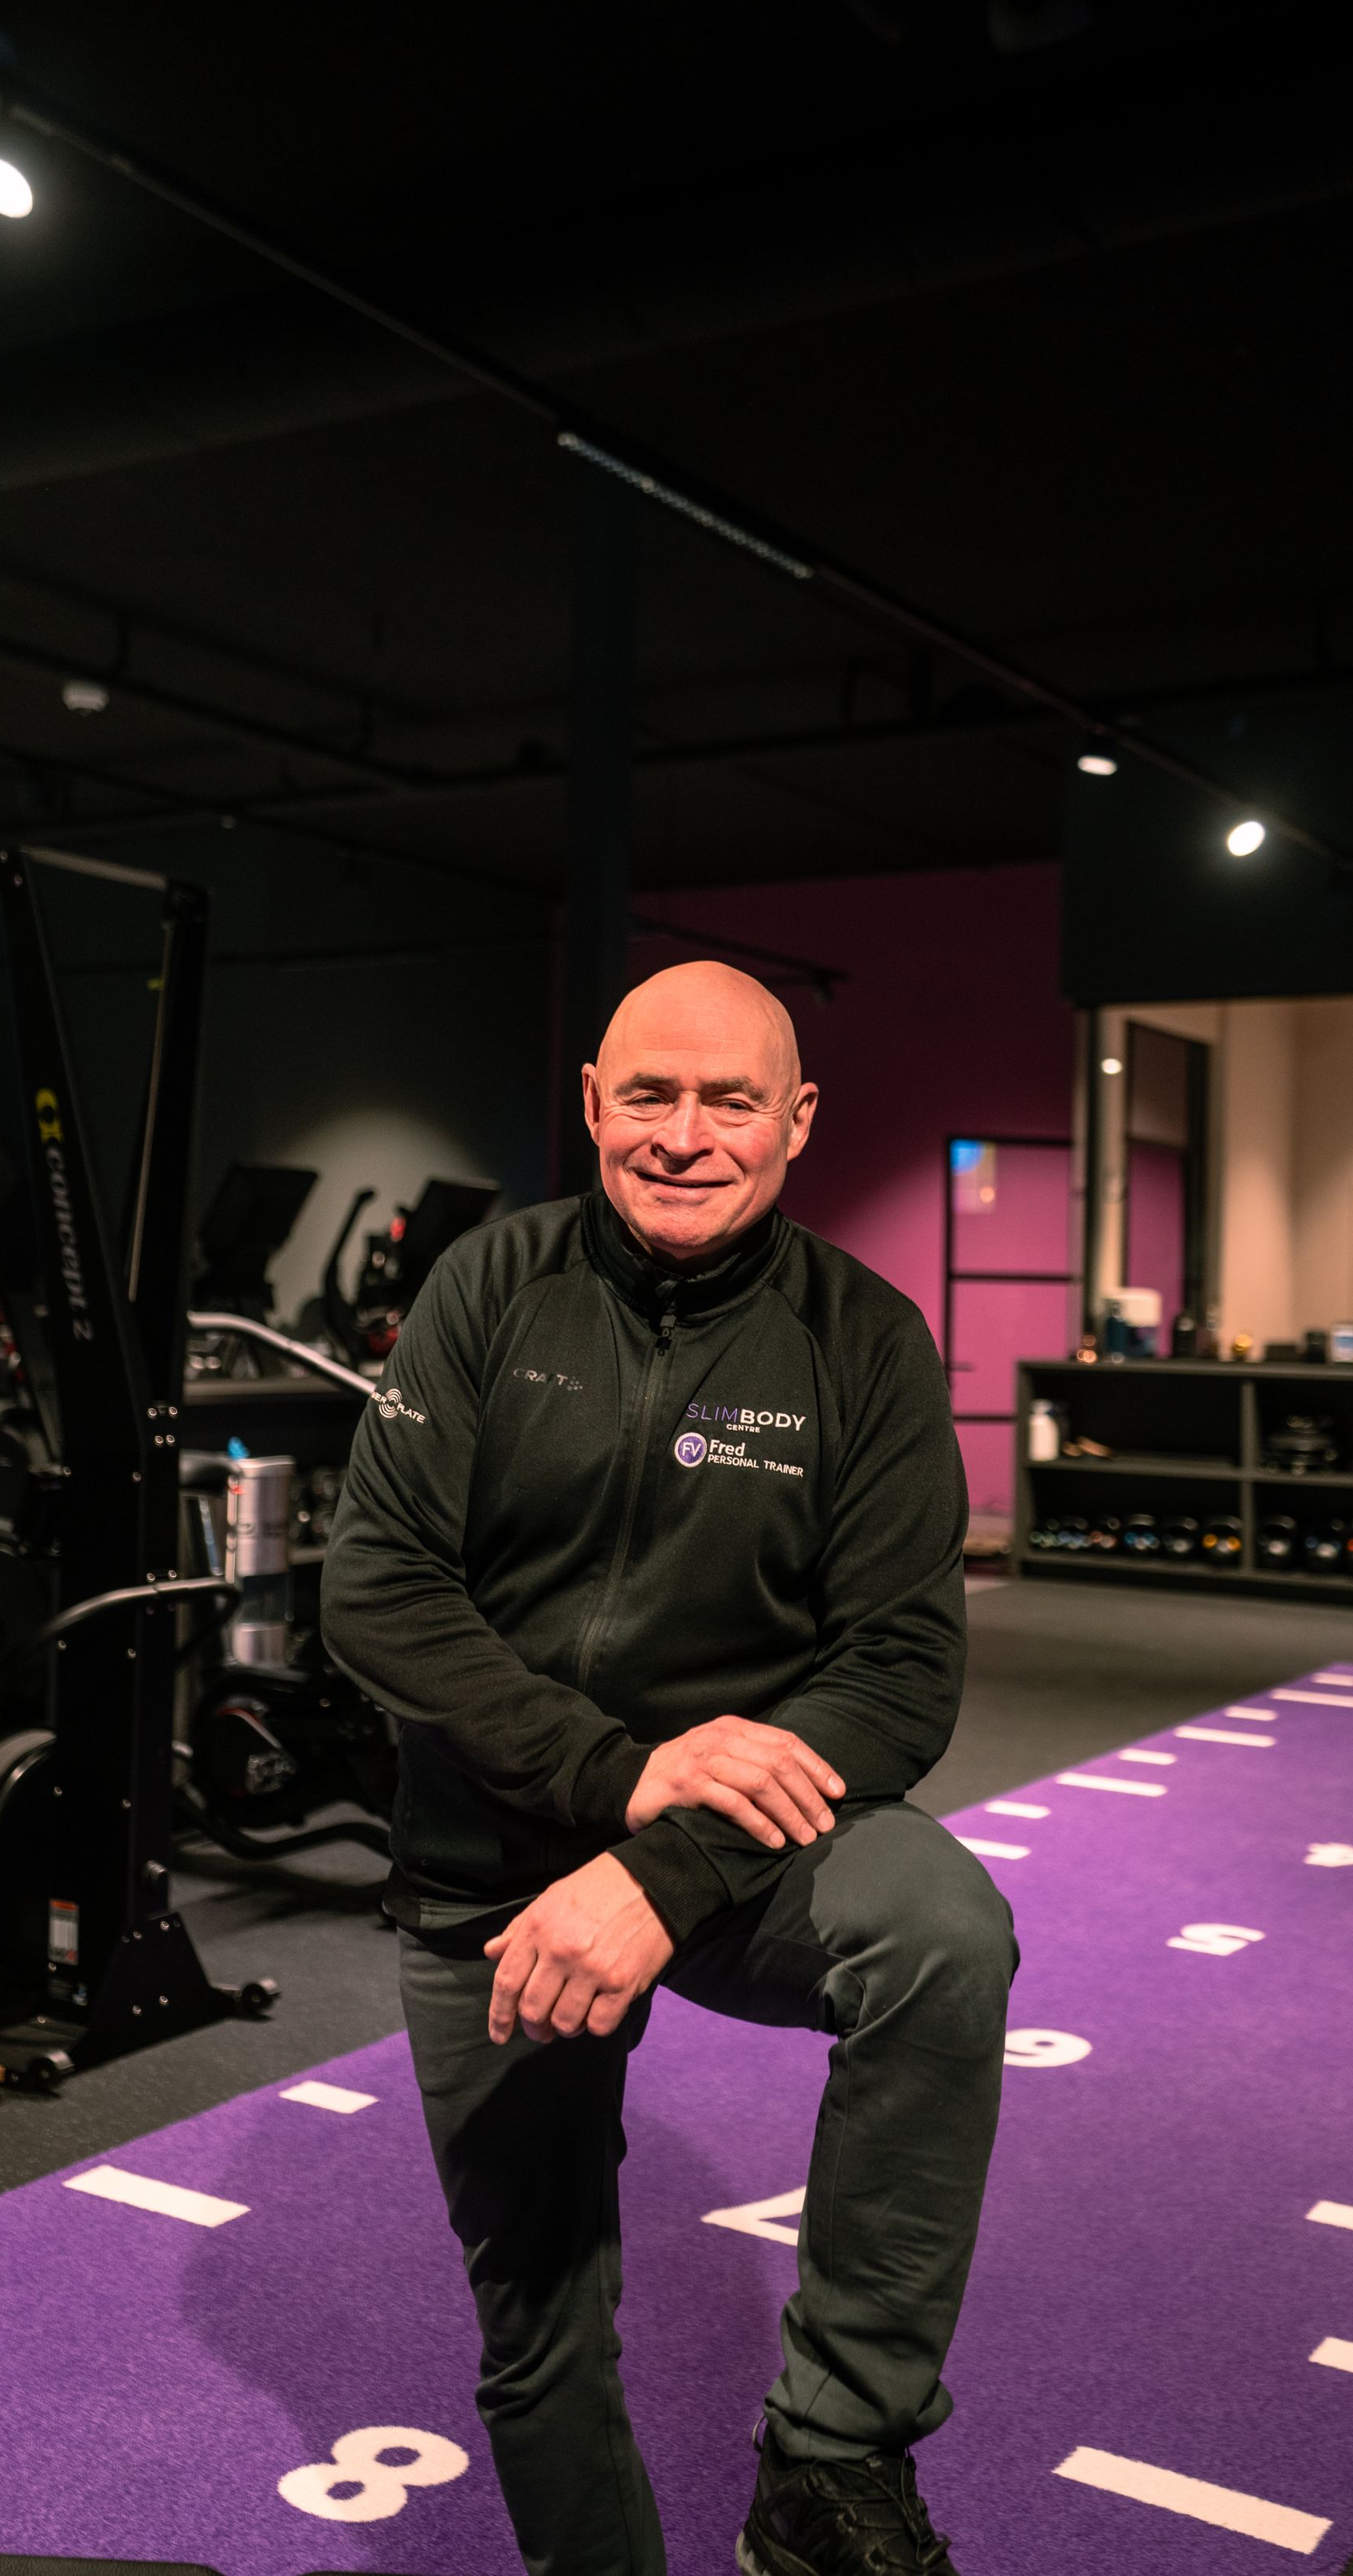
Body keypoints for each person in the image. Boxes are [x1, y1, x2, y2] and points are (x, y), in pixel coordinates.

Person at [321, 959, 1017, 2576]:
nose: (686, 1135)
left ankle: (832, 2458)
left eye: (729, 1100)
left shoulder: (864, 1338)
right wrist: (611, 1776)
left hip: (738, 1854)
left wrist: (664, 1862)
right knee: (541, 2322)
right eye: (649, 1094)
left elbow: (899, 1670)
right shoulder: (490, 1288)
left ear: (798, 1119)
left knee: (940, 1931)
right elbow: (380, 1589)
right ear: (592, 1103)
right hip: (494, 1863)